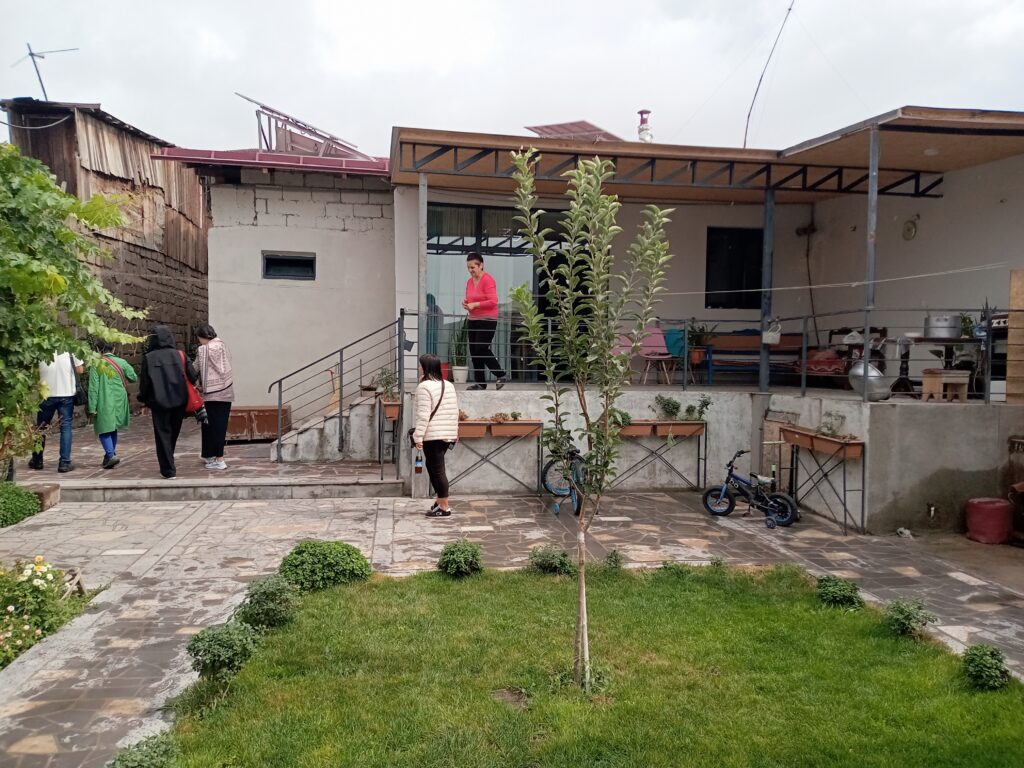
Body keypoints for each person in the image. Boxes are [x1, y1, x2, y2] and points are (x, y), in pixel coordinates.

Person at [137, 325, 198, 480]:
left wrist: (143, 399)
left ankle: (168, 468)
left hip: (159, 402)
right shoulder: (180, 355)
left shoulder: (149, 358)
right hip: (180, 401)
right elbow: (192, 376)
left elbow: (145, 383)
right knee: (173, 432)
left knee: (162, 433)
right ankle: (169, 459)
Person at [412, 353, 459, 517]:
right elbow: (455, 411)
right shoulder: (448, 385)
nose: (419, 368)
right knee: (434, 468)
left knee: (437, 470)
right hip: (446, 434)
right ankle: (439, 502)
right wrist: (455, 432)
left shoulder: (424, 387)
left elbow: (423, 415)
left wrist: (418, 437)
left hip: (433, 435)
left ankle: (444, 507)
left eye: (420, 365)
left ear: (425, 368)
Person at [28, 351, 85, 473]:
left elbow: (34, 371)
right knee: (66, 427)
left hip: (46, 394)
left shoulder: (41, 348)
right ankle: (64, 463)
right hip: (66, 394)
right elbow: (80, 370)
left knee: (41, 427)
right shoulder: (71, 349)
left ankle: (37, 460)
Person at [87, 341, 137, 469]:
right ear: (114, 349)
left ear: (98, 349)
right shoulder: (121, 362)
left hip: (104, 400)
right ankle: (110, 455)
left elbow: (93, 388)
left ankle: (110, 455)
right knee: (113, 427)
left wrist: (92, 407)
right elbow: (133, 377)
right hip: (120, 400)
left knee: (103, 428)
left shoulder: (96, 364)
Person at [462, 252, 507, 391]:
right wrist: (466, 303)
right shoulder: (469, 282)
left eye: (472, 267)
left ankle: (500, 374)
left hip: (488, 320)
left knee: (481, 348)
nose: (470, 270)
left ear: (481, 265)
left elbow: (493, 301)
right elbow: (470, 298)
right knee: (474, 351)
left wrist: (475, 305)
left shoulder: (488, 280)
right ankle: (480, 383)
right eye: (468, 267)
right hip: (473, 319)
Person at [194, 323, 234, 470]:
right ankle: (209, 455)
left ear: (202, 337)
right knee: (220, 426)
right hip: (226, 391)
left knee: (210, 426)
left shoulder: (203, 349)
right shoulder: (223, 346)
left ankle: (219, 459)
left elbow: (195, 368)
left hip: (211, 394)